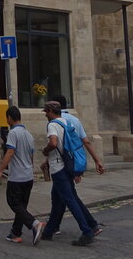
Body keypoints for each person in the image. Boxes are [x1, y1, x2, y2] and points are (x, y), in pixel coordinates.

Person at [40, 100, 102, 246]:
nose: (45, 116)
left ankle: (87, 231)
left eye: (46, 112)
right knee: (57, 200)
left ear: (50, 111)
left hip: (58, 169)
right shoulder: (67, 123)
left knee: (70, 200)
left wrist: (45, 151)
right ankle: (49, 231)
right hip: (68, 167)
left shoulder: (53, 125)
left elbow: (54, 143)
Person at [0, 105, 45, 245]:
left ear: (9, 118)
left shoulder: (13, 133)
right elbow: (31, 155)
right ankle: (15, 233)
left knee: (13, 202)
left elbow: (10, 152)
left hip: (17, 176)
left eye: (7, 118)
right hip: (28, 176)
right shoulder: (28, 134)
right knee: (21, 206)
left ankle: (34, 224)